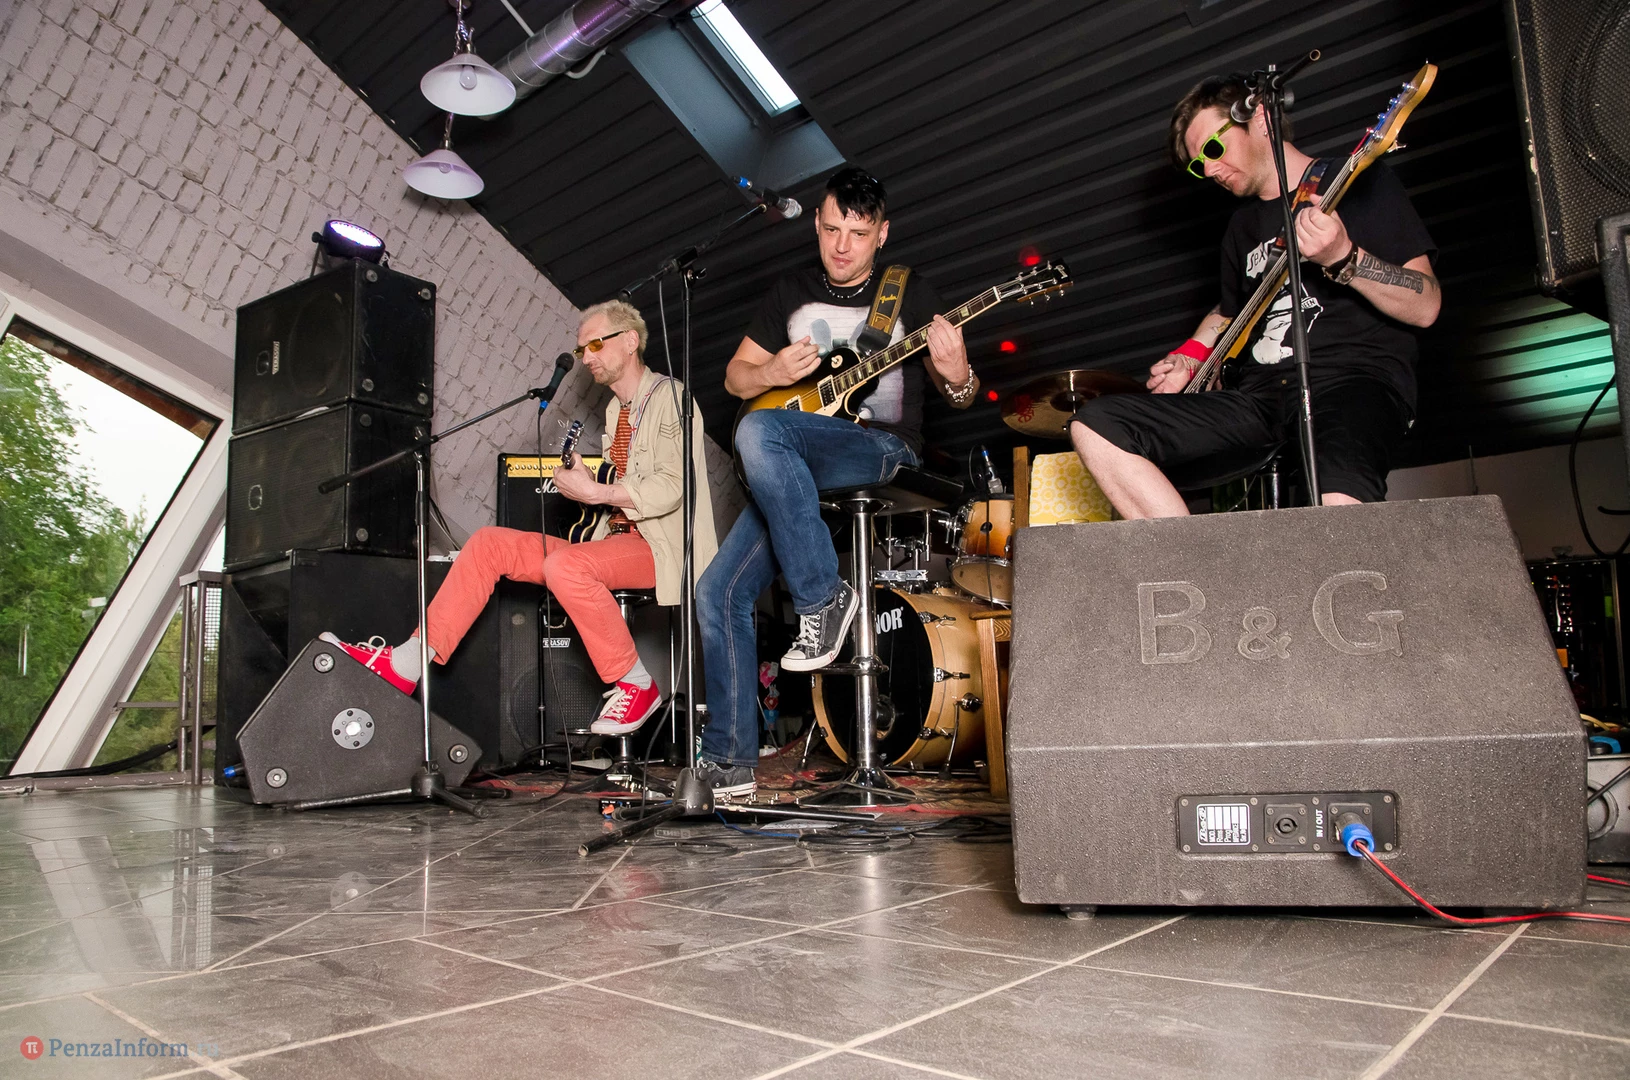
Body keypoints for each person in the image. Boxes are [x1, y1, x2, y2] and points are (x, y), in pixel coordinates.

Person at [693, 167, 981, 797]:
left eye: (858, 233)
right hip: (795, 464)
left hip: (880, 448)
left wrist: (958, 371)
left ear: (883, 233)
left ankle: (822, 599)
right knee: (716, 591)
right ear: (817, 227)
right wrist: (770, 371)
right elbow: (735, 379)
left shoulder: (910, 292)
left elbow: (961, 396)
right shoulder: (791, 291)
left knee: (760, 433)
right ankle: (728, 764)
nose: (842, 246)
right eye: (830, 230)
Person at [323, 299, 717, 737]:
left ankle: (636, 683)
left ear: (629, 341)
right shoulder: (616, 412)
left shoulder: (671, 397)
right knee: (488, 544)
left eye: (595, 345)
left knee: (565, 565)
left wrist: (597, 491)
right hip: (616, 541)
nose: (586, 358)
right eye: (581, 349)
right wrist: (588, 484)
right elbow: (624, 488)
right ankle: (405, 663)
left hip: (663, 549)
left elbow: (674, 485)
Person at [1070, 74, 1441, 518]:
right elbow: (1231, 312)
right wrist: (1192, 353)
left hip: (1351, 380)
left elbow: (1427, 304)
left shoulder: (1358, 181)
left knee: (1337, 503)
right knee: (1096, 426)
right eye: (1198, 165)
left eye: (1213, 148)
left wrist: (1345, 258)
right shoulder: (1240, 229)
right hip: (1258, 398)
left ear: (1261, 119)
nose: (1209, 170)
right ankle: (1190, 558)